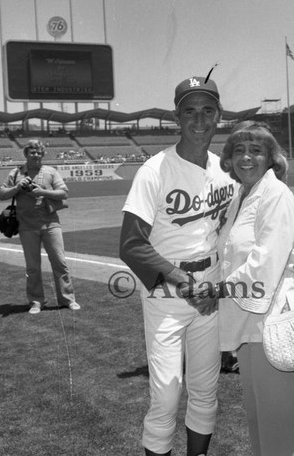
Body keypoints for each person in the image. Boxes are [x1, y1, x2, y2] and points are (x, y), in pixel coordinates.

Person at [119, 76, 234, 456]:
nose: (199, 119)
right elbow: (131, 245)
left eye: (207, 110)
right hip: (168, 292)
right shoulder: (155, 170)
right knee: (166, 397)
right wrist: (186, 282)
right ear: (176, 116)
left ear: (219, 115)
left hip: (212, 289)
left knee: (205, 391)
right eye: (190, 110)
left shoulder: (226, 171)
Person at [216, 122, 294, 456]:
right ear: (228, 158)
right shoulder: (240, 197)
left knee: (281, 432)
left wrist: (218, 290)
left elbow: (265, 263)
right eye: (238, 150)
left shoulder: (276, 194)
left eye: (256, 150)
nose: (246, 157)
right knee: (260, 424)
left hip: (275, 322)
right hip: (249, 326)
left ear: (271, 157)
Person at [0, 139, 80, 315]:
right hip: (26, 226)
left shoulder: (51, 172)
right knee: (32, 267)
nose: (35, 155)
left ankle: (67, 299)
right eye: (32, 152)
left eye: (38, 152)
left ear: (42, 154)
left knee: (60, 262)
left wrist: (42, 192)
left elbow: (64, 193)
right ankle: (36, 301)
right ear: (26, 154)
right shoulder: (16, 173)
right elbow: (1, 194)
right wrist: (17, 187)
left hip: (51, 224)